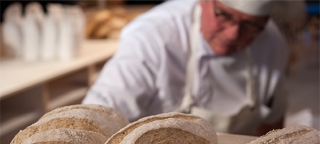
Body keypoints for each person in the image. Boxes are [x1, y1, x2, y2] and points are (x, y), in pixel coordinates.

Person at [82, 0, 288, 136]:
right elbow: (95, 122)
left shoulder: (272, 43)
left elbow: (272, 124)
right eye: (224, 15)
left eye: (251, 26)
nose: (233, 34)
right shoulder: (153, 36)